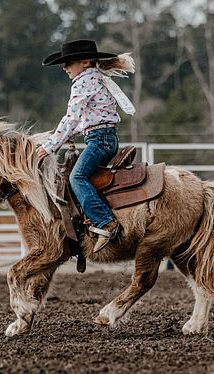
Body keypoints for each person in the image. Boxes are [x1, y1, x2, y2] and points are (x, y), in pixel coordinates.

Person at [36, 39, 136, 253]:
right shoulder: (96, 78)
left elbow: (71, 118)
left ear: (85, 62)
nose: (64, 68)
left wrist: (50, 146)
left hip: (99, 140)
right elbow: (88, 118)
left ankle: (106, 222)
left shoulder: (84, 82)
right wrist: (69, 135)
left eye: (68, 63)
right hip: (104, 137)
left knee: (76, 177)